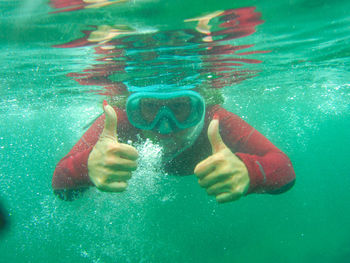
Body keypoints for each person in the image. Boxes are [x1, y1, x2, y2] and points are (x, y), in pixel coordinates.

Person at [52, 88, 295, 202]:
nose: (165, 126)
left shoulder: (214, 121)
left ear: (199, 108)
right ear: (132, 109)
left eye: (180, 107)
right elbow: (60, 182)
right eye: (149, 108)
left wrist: (249, 172)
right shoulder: (118, 122)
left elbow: (284, 169)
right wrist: (87, 166)